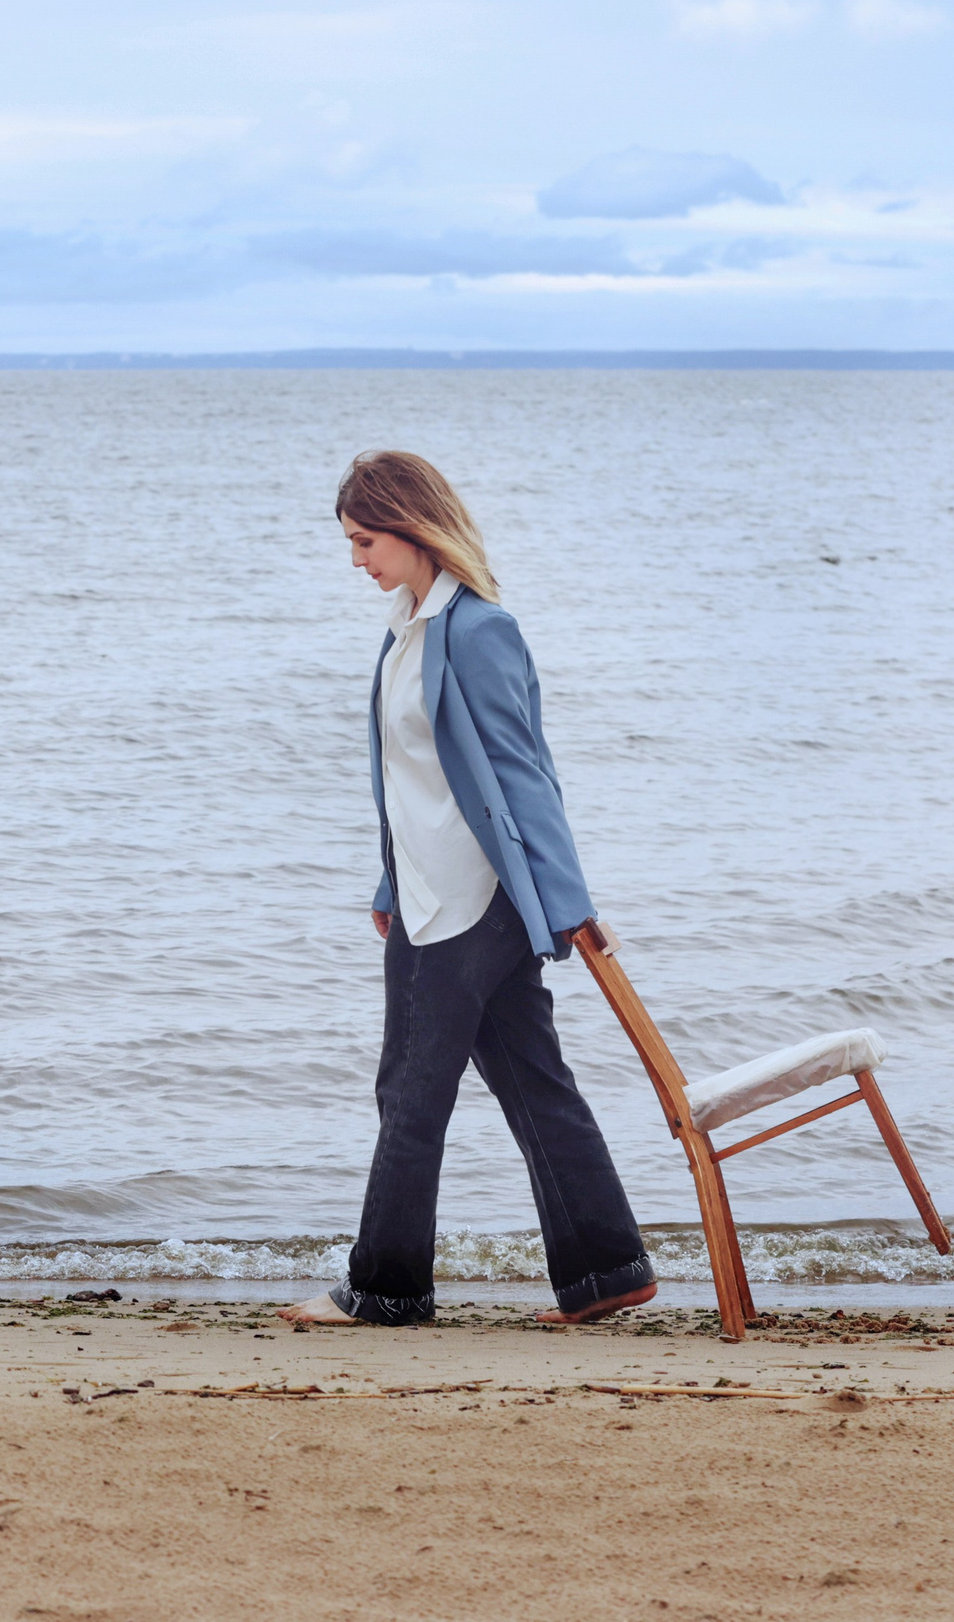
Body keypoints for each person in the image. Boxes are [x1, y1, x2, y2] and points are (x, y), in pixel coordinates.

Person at [280, 450, 656, 1327]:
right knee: (532, 1080)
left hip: (468, 899)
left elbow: (524, 775)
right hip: (428, 892)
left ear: (412, 527)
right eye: (350, 543)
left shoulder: (481, 630)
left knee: (411, 1093)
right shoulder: (407, 631)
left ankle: (386, 1287)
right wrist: (389, 878)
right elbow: (415, 779)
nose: (356, 560)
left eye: (366, 541)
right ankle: (607, 1269)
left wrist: (568, 902)